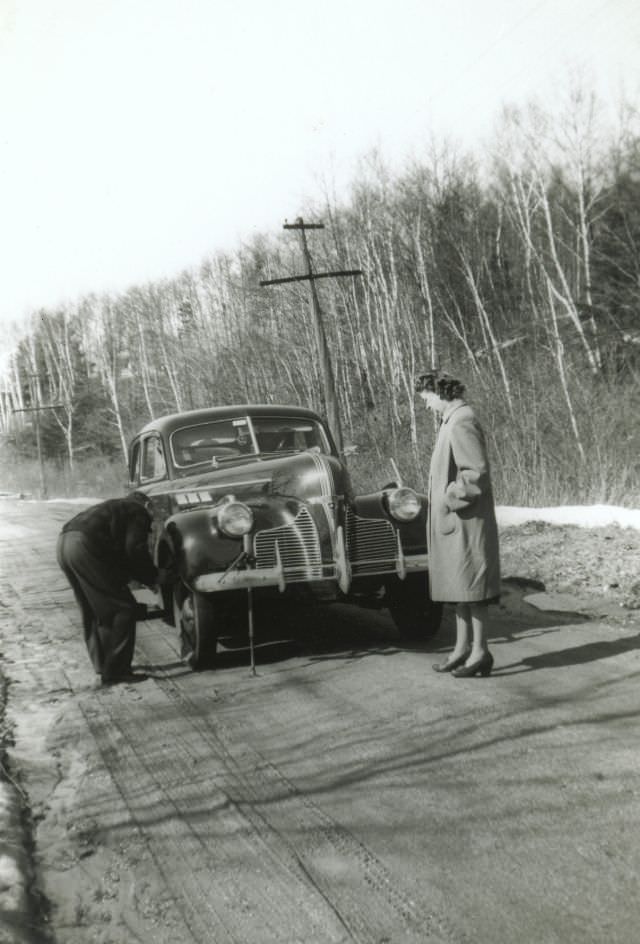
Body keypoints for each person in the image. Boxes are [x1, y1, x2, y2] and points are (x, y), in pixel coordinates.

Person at [417, 371, 500, 677]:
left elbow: (475, 473)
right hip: (456, 523)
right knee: (460, 590)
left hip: (465, 521)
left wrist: (447, 498)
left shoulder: (462, 420)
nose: (426, 405)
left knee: (474, 591)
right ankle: (461, 649)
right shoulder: (452, 420)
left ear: (440, 392)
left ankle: (480, 652)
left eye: (426, 398)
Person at [56, 494, 159, 685]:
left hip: (64, 543)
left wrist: (138, 577)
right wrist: (153, 578)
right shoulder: (137, 511)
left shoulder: (114, 507)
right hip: (84, 545)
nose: (151, 518)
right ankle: (116, 671)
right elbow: (135, 549)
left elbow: (120, 556)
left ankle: (102, 664)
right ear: (146, 504)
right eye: (152, 511)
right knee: (123, 608)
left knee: (92, 608)